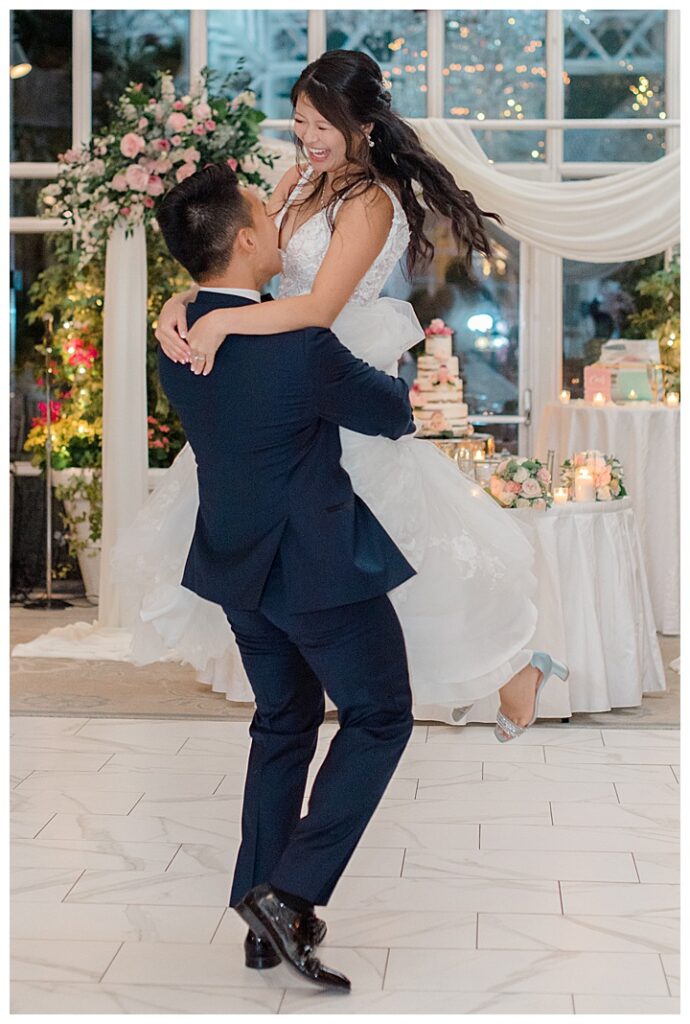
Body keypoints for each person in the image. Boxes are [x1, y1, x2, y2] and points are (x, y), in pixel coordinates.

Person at [122, 49, 570, 737]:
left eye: (324, 123)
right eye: (301, 120)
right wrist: (185, 299)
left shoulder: (373, 203)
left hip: (329, 355)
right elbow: (241, 253)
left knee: (389, 542)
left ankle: (512, 669)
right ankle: (342, 682)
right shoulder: (297, 179)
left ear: (363, 123)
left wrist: (222, 321)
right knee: (317, 539)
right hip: (280, 362)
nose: (309, 136)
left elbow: (319, 307)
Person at [155, 162, 420, 990]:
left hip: (238, 567)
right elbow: (393, 412)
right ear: (241, 240)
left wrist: (174, 298)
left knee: (284, 723)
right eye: (266, 213)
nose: (279, 223)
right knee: (380, 716)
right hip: (318, 568)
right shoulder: (301, 344)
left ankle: (258, 922)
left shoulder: (175, 332)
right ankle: (290, 891)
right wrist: (383, 340)